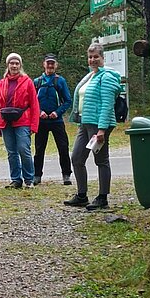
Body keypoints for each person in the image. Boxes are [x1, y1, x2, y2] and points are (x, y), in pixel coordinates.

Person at [65, 42, 121, 211]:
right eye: (90, 57)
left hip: (99, 124)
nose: (93, 60)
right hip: (85, 122)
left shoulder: (108, 76)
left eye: (96, 56)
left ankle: (103, 197)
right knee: (76, 158)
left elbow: (107, 105)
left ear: (102, 57)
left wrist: (102, 130)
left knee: (101, 160)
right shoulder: (91, 76)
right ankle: (82, 195)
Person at [0, 53, 40, 188]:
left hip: (23, 120)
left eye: (16, 63)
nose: (14, 66)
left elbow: (34, 104)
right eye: (11, 63)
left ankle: (29, 179)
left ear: (20, 65)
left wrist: (34, 125)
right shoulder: (1, 84)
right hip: (5, 121)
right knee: (11, 152)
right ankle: (16, 179)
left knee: (23, 149)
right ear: (7, 66)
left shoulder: (27, 82)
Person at [33, 53, 72, 186]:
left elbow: (67, 101)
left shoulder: (60, 81)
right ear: (44, 64)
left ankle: (66, 175)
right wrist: (39, 112)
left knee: (63, 147)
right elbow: (31, 102)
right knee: (39, 149)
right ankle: (37, 175)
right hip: (41, 121)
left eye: (52, 63)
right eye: (48, 63)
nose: (50, 65)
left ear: (56, 65)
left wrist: (57, 112)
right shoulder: (37, 82)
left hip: (57, 121)